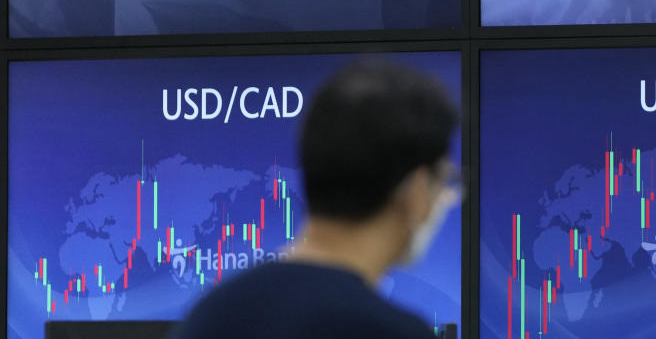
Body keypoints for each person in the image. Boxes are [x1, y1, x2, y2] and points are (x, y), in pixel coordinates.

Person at [176, 59, 461, 339]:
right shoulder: (394, 331)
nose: (447, 198)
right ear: (415, 192)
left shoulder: (209, 317)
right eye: (445, 180)